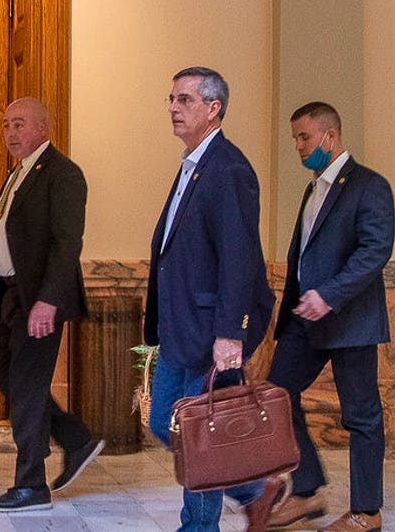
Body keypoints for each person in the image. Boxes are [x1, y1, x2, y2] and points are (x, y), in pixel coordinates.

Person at [144, 66, 282, 531]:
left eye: (184, 100)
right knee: (164, 423)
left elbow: (240, 258)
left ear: (213, 108)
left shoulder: (229, 168)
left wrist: (230, 333)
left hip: (210, 331)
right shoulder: (194, 163)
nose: (173, 108)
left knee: (200, 438)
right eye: (171, 99)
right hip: (180, 327)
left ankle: (198, 528)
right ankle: (254, 489)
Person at [265, 102, 394, 532]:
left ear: (329, 137)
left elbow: (374, 251)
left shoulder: (369, 185)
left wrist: (330, 295)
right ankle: (306, 491)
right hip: (305, 318)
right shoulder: (312, 188)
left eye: (304, 138)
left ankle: (366, 512)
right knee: (279, 394)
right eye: (295, 139)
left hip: (350, 319)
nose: (298, 147)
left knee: (361, 415)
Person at [0, 97, 103, 512]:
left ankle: (31, 485)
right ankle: (74, 436)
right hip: (10, 297)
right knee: (5, 377)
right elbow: (2, 239)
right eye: (6, 124)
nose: (11, 132)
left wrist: (48, 301)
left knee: (28, 390)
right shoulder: (17, 176)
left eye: (19, 124)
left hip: (39, 302)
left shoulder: (63, 175)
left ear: (43, 128)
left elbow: (66, 245)